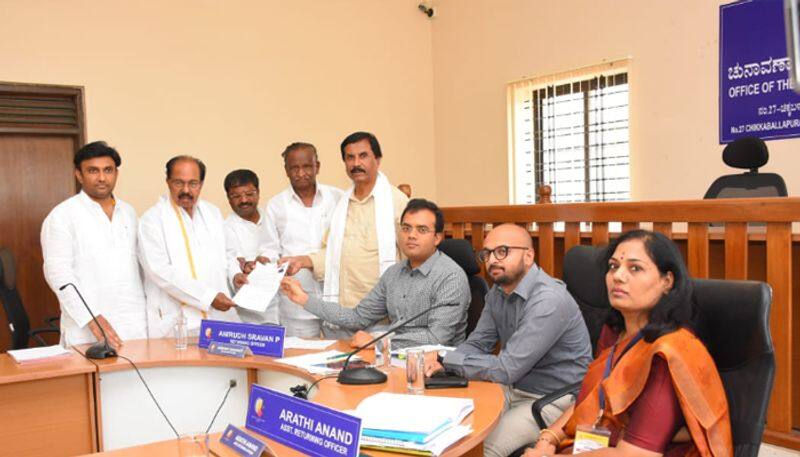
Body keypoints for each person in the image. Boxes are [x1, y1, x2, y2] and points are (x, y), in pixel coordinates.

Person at [522, 230, 732, 457]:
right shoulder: (614, 332)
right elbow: (593, 397)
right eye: (613, 266)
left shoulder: (668, 353)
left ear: (667, 281)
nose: (618, 276)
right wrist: (549, 437)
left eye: (635, 268)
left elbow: (636, 454)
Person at [424, 223, 592, 457]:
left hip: (551, 400)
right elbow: (478, 343)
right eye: (487, 254)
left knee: (479, 448)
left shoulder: (548, 300)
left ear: (528, 256)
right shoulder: (497, 292)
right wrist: (445, 363)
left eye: (502, 251)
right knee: (445, 432)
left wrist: (447, 359)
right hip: (508, 388)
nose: (492, 260)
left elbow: (506, 368)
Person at [280, 199, 469, 349]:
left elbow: (437, 337)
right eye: (406, 228)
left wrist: (377, 341)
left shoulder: (451, 277)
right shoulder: (394, 273)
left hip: (435, 367)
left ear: (437, 237)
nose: (411, 235)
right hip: (392, 359)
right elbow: (357, 317)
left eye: (422, 230)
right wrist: (304, 299)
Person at [279, 131, 409, 339]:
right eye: (350, 157)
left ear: (377, 159)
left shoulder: (397, 202)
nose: (356, 163)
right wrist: (303, 260)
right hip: (342, 317)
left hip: (382, 319)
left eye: (363, 155)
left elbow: (412, 257)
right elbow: (331, 253)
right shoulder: (342, 203)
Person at [41, 141, 147, 348]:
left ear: (116, 173)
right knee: (95, 381)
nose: (101, 178)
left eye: (108, 170)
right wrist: (90, 317)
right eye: (92, 171)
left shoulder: (129, 212)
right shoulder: (62, 216)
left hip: (134, 323)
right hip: (86, 328)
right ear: (79, 175)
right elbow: (58, 274)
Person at [138, 155, 241, 338]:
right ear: (168, 182)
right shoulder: (151, 220)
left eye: (193, 183)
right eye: (179, 183)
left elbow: (227, 254)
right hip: (177, 322)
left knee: (225, 366)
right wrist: (208, 297)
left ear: (201, 184)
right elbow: (159, 271)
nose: (186, 190)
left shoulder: (212, 213)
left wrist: (236, 275)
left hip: (218, 318)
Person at [256, 142, 342, 337]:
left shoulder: (338, 198)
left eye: (306, 167)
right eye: (294, 168)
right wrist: (266, 262)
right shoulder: (276, 205)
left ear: (317, 166)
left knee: (341, 361)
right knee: (300, 360)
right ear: (286, 170)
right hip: (296, 306)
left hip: (336, 300)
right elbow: (269, 250)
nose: (301, 173)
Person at [222, 169, 278, 324]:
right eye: (236, 196)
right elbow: (230, 259)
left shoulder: (272, 217)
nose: (244, 200)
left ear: (258, 192)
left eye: (249, 194)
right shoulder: (225, 227)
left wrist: (268, 259)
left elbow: (278, 249)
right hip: (251, 314)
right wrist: (239, 272)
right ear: (228, 199)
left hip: (285, 305)